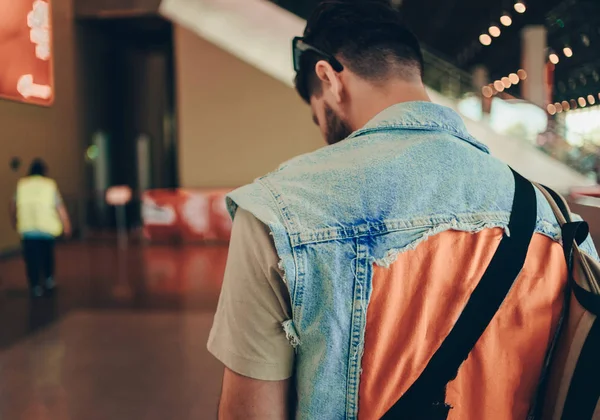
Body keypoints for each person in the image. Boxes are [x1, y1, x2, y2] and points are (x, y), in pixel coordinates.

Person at [208, 1, 599, 419]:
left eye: (318, 111)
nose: (324, 130)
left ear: (328, 78)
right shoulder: (553, 215)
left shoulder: (279, 211)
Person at [10, 159, 71, 298]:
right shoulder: (49, 185)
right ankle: (49, 278)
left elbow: (12, 205)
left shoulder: (22, 185)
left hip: (27, 228)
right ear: (44, 172)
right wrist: (66, 225)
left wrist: (14, 220)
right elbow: (59, 207)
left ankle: (35, 285)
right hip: (46, 228)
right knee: (47, 254)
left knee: (31, 258)